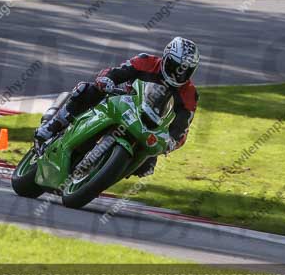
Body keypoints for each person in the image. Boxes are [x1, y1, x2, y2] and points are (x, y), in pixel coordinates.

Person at [34, 37, 200, 177]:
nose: (178, 74)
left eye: (184, 71)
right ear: (165, 58)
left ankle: (105, 173)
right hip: (123, 100)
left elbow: (182, 124)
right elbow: (118, 71)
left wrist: (173, 140)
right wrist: (108, 79)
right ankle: (53, 125)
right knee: (87, 89)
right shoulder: (147, 62)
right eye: (174, 66)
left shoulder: (189, 93)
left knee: (146, 167)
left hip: (150, 124)